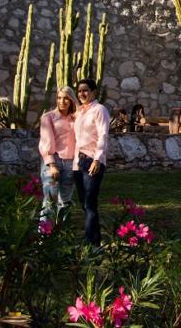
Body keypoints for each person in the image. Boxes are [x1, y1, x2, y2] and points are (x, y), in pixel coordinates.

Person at [72, 78, 110, 246]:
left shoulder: (99, 110)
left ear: (94, 92)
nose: (82, 93)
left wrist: (97, 159)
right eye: (79, 91)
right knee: (85, 205)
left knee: (90, 203)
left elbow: (103, 135)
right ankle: (96, 241)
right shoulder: (79, 112)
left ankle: (89, 243)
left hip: (92, 160)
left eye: (86, 90)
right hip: (78, 161)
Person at [38, 86, 77, 223]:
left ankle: (62, 234)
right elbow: (46, 141)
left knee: (65, 201)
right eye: (59, 98)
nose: (62, 101)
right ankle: (43, 235)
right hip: (53, 161)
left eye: (66, 98)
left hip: (71, 162)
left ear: (72, 100)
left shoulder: (76, 119)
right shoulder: (48, 117)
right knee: (50, 199)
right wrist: (52, 165)